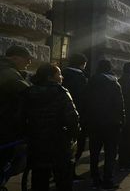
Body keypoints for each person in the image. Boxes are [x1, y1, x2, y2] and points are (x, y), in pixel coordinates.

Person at [23, 63, 79, 191]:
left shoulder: (29, 92)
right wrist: (73, 136)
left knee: (39, 177)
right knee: (63, 178)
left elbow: (21, 116)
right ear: (50, 77)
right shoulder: (62, 93)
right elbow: (73, 118)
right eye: (59, 74)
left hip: (36, 141)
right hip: (59, 141)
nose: (61, 77)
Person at [84, 60, 125, 189]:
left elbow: (86, 101)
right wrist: (122, 120)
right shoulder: (114, 83)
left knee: (94, 152)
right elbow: (120, 104)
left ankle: (95, 178)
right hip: (111, 123)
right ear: (109, 68)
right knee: (110, 153)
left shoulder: (91, 81)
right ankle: (108, 179)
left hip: (94, 122)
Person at [0, 46, 33, 184]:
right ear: (14, 58)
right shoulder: (9, 73)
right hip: (5, 126)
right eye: (27, 59)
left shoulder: (7, 70)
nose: (29, 62)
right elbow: (28, 94)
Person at [61, 53, 88, 180]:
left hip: (60, 116)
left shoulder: (61, 73)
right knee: (77, 145)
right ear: (82, 63)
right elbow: (83, 99)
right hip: (76, 115)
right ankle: (69, 172)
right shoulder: (80, 77)